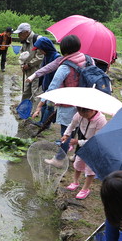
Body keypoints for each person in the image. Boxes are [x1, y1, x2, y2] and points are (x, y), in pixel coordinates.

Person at [32, 35, 89, 166]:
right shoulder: (87, 59)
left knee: (66, 132)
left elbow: (52, 88)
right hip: (85, 102)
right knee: (80, 131)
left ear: (64, 49)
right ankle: (75, 156)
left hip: (68, 104)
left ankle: (58, 159)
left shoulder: (65, 66)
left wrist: (40, 105)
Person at [61, 107, 107, 199]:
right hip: (84, 142)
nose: (82, 114)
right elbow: (72, 125)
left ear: (93, 109)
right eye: (79, 110)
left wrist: (78, 142)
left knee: (90, 168)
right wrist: (66, 134)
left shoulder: (101, 120)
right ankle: (75, 182)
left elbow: (96, 140)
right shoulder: (79, 115)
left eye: (85, 112)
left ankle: (85, 189)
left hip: (96, 145)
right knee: (78, 163)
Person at [28, 37, 61, 127]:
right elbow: (43, 71)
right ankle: (42, 122)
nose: (38, 51)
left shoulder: (56, 58)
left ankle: (45, 124)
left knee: (49, 105)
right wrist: (40, 83)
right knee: (44, 105)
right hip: (46, 85)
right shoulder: (46, 57)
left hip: (52, 87)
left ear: (45, 48)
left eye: (39, 49)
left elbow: (56, 76)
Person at [14, 23, 44, 103]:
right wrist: (22, 64)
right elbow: (21, 54)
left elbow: (40, 57)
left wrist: (29, 65)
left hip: (37, 72)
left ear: (27, 32)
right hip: (28, 72)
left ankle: (35, 113)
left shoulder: (38, 39)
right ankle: (23, 110)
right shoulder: (24, 42)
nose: (19, 36)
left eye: (20, 33)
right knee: (26, 92)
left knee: (35, 93)